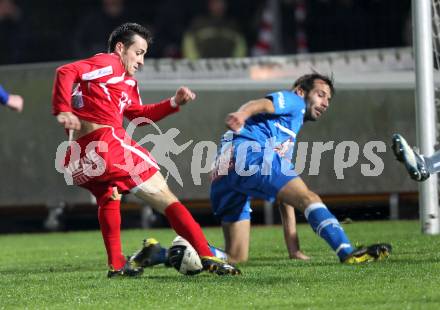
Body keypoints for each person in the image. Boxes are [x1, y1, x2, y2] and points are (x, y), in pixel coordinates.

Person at [52, 22, 240, 277]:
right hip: (106, 144)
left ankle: (117, 264)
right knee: (166, 197)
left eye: (144, 55)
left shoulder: (124, 82)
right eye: (138, 53)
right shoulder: (109, 63)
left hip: (80, 156)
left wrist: (173, 102)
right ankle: (206, 254)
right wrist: (62, 110)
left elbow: (139, 114)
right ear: (120, 48)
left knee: (109, 196)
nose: (141, 61)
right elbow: (65, 71)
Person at [209, 73, 391, 264]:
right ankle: (347, 252)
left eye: (328, 99)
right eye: (321, 94)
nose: (326, 103)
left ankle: (180, 250)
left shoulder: (283, 134)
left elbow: (285, 200)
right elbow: (260, 104)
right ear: (301, 91)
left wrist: (293, 249)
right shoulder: (295, 101)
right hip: (248, 153)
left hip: (222, 171)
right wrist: (242, 114)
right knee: (309, 198)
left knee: (236, 256)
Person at [182, 0, 247, 59]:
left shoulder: (232, 25)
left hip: (228, 67)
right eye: (216, 3)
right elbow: (189, 43)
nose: (219, 6)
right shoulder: (198, 24)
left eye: (221, 3)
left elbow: (240, 45)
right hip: (202, 67)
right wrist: (195, 62)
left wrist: (234, 62)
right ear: (210, 4)